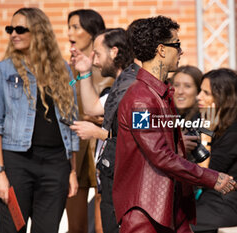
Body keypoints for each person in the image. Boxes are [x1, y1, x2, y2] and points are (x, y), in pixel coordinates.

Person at [113, 15, 237, 233]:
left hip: (171, 207)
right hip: (147, 212)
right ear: (162, 50)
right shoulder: (140, 99)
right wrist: (211, 177)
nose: (181, 52)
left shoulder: (159, 93)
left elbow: (158, 148)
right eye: (177, 45)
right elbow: (159, 155)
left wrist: (179, 142)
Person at [0, 7, 79, 233]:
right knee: (11, 229)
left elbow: (71, 123)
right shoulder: (3, 71)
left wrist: (72, 170)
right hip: (17, 163)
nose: (13, 34)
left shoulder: (63, 70)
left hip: (56, 165)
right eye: (10, 29)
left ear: (39, 32)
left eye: (20, 29)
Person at [70, 27, 134, 233]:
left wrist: (97, 133)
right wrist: (84, 72)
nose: (95, 61)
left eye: (97, 53)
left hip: (126, 186)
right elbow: (92, 107)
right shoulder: (120, 85)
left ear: (114, 52)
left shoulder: (133, 86)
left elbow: (139, 138)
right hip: (111, 182)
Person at [191, 68, 237, 233]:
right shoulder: (202, 122)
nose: (199, 96)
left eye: (206, 93)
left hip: (221, 205)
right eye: (200, 91)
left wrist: (206, 137)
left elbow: (204, 174)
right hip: (200, 200)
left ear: (222, 98)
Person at [66, 9, 106, 233]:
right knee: (76, 226)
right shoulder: (65, 68)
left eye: (75, 27)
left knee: (103, 226)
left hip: (102, 145)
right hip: (75, 147)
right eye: (68, 27)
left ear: (91, 32)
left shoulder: (108, 67)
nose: (69, 32)